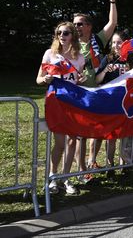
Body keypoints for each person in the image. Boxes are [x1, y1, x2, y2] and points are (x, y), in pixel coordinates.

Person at [36, 21, 86, 195]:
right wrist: (46, 79)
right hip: (55, 101)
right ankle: (52, 177)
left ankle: (66, 178)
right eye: (59, 33)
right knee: (59, 143)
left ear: (73, 35)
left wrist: (81, 80)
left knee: (72, 141)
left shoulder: (79, 57)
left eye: (65, 33)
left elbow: (77, 79)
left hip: (73, 102)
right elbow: (38, 79)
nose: (61, 36)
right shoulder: (50, 54)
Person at [73, 0, 118, 176]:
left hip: (98, 92)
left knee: (99, 130)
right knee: (81, 135)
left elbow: (112, 23)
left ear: (89, 26)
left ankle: (91, 162)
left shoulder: (97, 40)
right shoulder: (70, 45)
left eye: (80, 24)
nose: (76, 27)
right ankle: (83, 170)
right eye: (74, 24)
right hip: (80, 94)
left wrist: (112, 1)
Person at [94, 30, 130, 178]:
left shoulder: (130, 61)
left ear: (126, 44)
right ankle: (110, 164)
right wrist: (105, 71)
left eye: (119, 42)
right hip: (109, 102)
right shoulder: (107, 59)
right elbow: (97, 79)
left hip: (125, 103)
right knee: (111, 135)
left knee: (124, 134)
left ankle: (124, 163)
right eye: (113, 42)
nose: (115, 45)